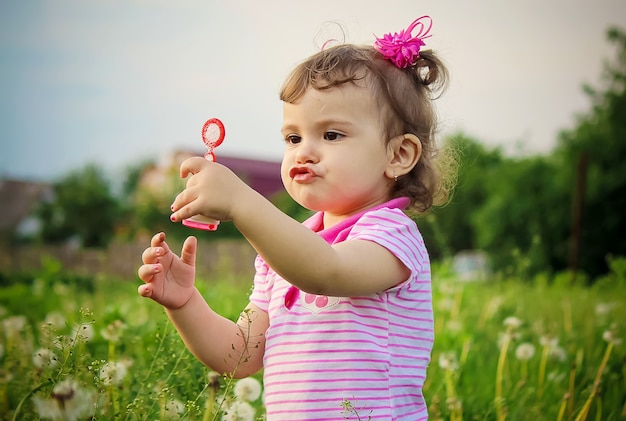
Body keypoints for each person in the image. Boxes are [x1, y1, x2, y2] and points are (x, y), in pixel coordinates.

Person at [138, 15, 453, 420]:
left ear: (398, 155)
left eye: (332, 134)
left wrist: (241, 202)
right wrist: (185, 303)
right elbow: (241, 357)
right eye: (293, 137)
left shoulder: (392, 236)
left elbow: (327, 271)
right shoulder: (281, 253)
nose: (304, 151)